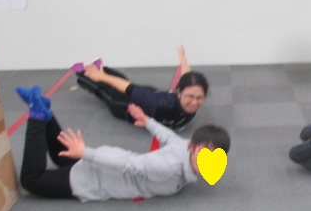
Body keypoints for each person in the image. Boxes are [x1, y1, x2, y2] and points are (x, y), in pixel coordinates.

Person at [15, 85, 230, 202]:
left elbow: (169, 138)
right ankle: (37, 115)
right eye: (203, 153)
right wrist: (85, 152)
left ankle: (44, 110)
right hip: (94, 179)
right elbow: (128, 165)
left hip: (105, 161)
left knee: (60, 155)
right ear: (193, 146)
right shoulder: (169, 168)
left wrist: (148, 121)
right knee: (31, 181)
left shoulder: (185, 147)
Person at [75, 46, 208, 130]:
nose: (194, 102)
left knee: (116, 84)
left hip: (143, 98)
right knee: (105, 89)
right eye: (190, 97)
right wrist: (101, 77)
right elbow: (129, 88)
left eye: (199, 98)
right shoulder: (160, 103)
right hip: (126, 104)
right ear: (179, 93)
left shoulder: (188, 92)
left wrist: (183, 59)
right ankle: (82, 73)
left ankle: (99, 72)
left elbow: (187, 77)